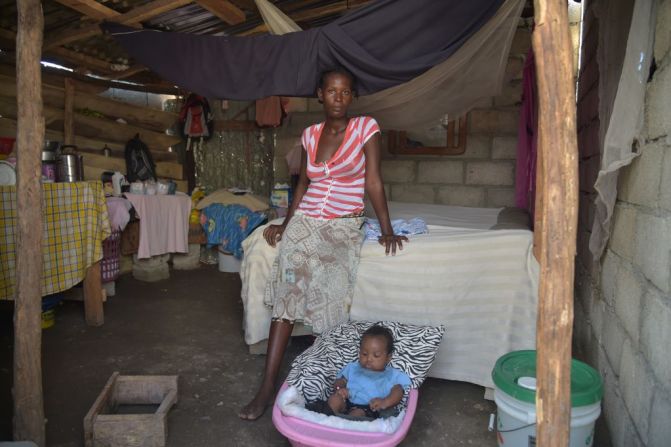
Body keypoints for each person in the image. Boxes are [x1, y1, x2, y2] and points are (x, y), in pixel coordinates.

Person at [239, 67, 408, 420]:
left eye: (345, 92)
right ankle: (268, 385)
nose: (338, 98)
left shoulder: (366, 128)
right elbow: (301, 185)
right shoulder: (310, 133)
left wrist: (387, 229)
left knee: (330, 290)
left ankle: (321, 382)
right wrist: (285, 224)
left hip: (342, 224)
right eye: (331, 91)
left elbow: (373, 182)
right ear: (320, 94)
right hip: (305, 220)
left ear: (352, 97)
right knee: (288, 286)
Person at [311, 324, 411, 419]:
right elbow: (341, 381)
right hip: (347, 402)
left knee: (357, 414)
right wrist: (339, 388)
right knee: (334, 399)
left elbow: (398, 391)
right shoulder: (353, 368)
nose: (369, 359)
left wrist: (385, 402)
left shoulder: (392, 375)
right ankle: (324, 421)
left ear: (388, 358)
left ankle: (344, 428)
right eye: (364, 354)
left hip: (370, 408)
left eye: (376, 355)